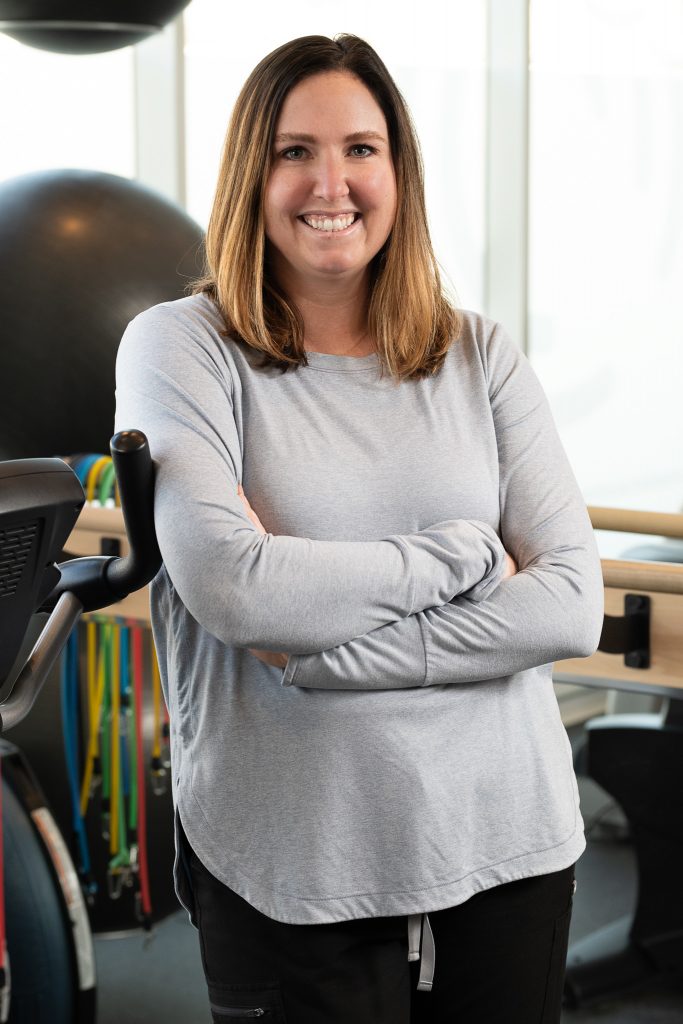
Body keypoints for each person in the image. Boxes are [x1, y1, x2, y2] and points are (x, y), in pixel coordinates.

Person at [114, 33, 604, 1024]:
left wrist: (318, 656)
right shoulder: (182, 349)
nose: (327, 182)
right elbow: (235, 587)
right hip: (294, 858)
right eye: (293, 150)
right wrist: (465, 553)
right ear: (253, 172)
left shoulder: (479, 354)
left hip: (504, 837)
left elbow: (565, 604)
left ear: (398, 171)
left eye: (359, 149)